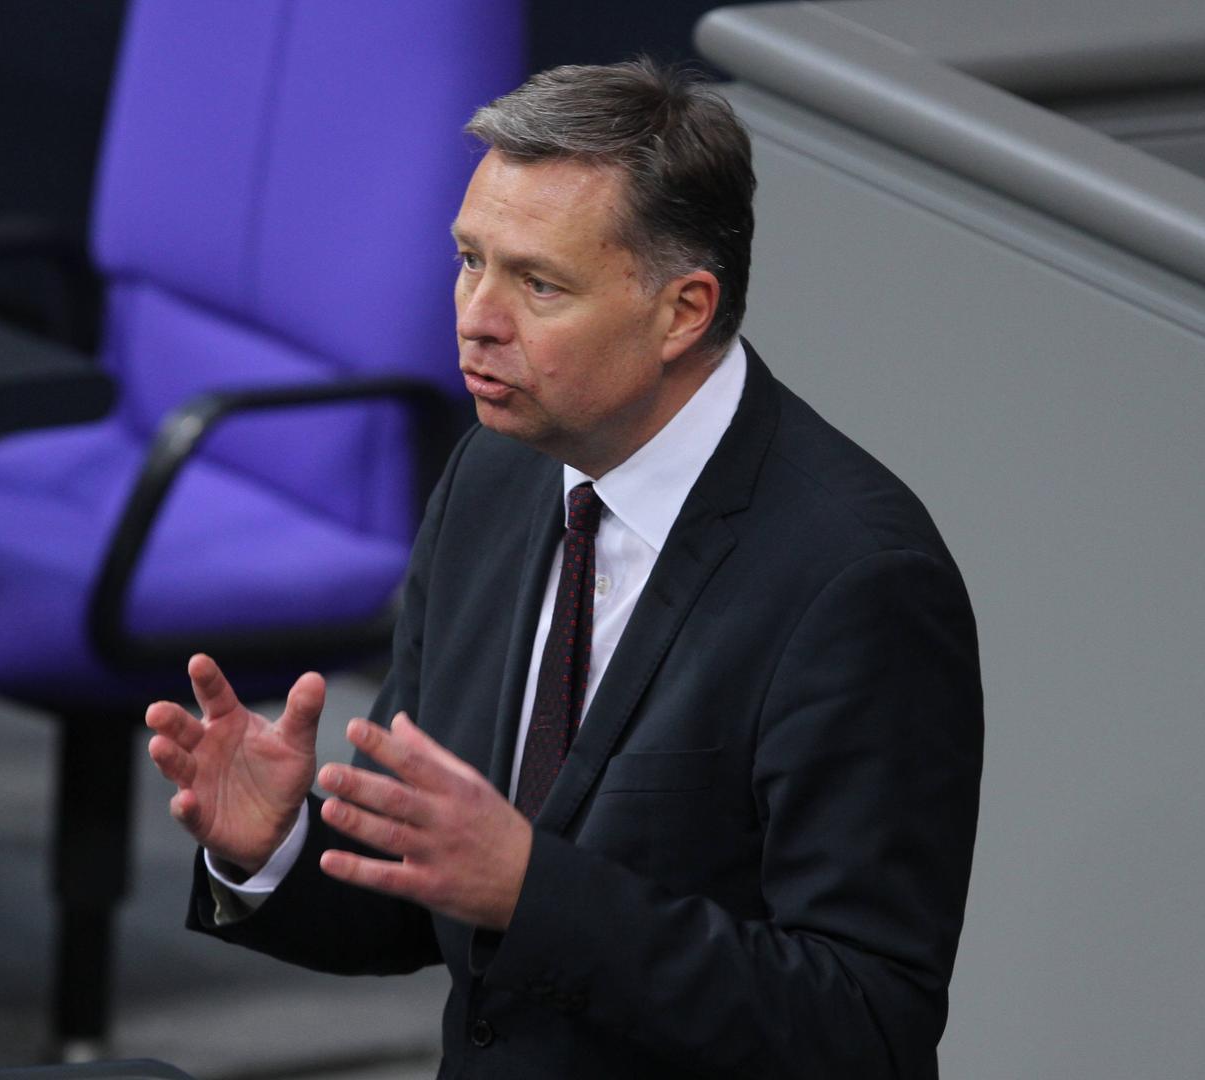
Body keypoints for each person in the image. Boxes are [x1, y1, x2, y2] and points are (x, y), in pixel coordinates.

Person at [144, 59, 983, 1079]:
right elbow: (430, 900)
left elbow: (866, 1028)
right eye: (468, 260)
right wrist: (270, 849)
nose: (476, 316)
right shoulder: (495, 474)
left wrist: (533, 889)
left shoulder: (857, 583)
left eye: (538, 283)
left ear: (683, 310)